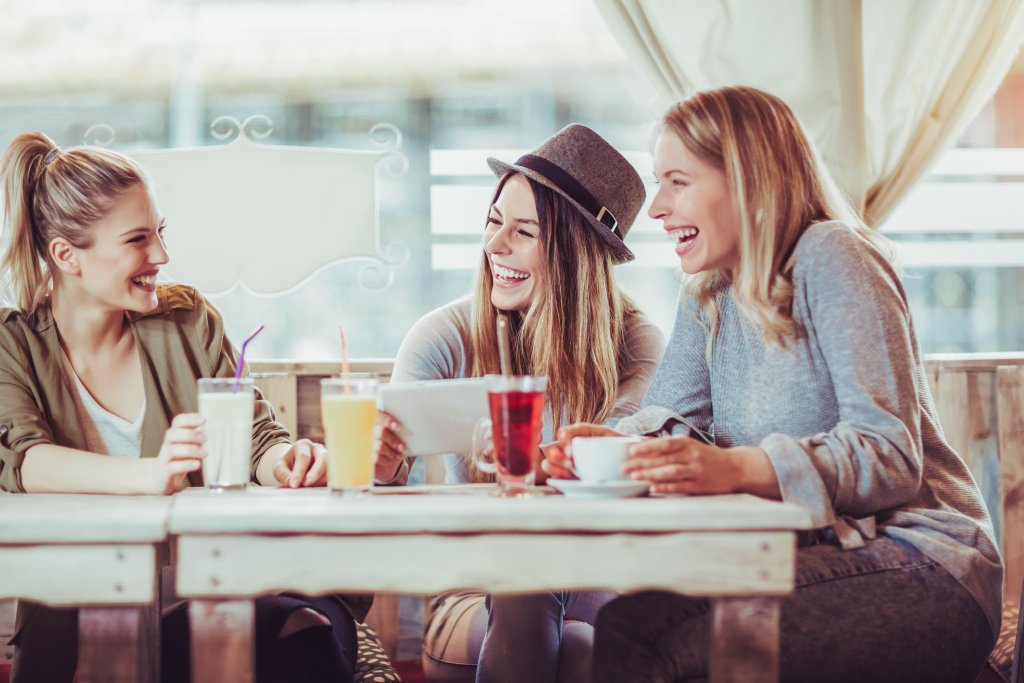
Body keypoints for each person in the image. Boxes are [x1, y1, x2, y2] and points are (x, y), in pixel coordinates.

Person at [543, 86, 1003, 683]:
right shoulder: (708, 292)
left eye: (677, 181)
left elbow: (891, 456)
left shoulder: (833, 255)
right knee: (632, 620)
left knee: (645, 634)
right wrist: (604, 447)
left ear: (746, 178)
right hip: (808, 556)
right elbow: (668, 418)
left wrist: (739, 469)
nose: (656, 207)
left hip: (924, 562)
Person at [0, 132, 370, 683]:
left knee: (302, 627)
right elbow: (24, 463)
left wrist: (288, 463)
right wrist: (148, 475)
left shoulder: (187, 320)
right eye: (137, 239)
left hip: (220, 587)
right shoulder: (15, 345)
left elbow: (257, 440)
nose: (162, 256)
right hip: (84, 613)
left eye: (161, 233)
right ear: (65, 255)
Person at [375, 124, 665, 683]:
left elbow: (623, 462)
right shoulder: (443, 336)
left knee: (580, 639)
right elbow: (375, 478)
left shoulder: (636, 342)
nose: (494, 246)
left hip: (597, 580)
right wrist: (380, 467)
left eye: (524, 232)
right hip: (476, 593)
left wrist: (545, 466)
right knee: (543, 597)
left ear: (577, 251)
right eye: (493, 221)